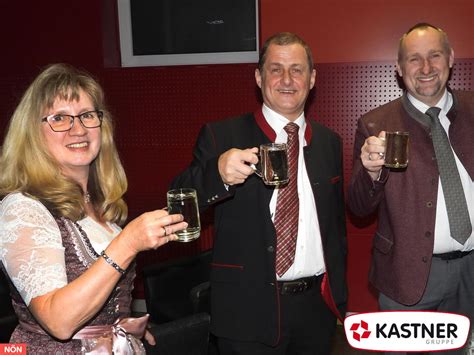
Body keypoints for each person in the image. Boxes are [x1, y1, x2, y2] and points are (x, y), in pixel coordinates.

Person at [171, 32, 347, 354]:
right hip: (246, 309)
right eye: (275, 69)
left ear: (312, 79)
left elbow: (336, 226)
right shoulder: (221, 134)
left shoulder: (329, 143)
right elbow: (179, 203)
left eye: (297, 69)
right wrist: (218, 173)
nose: (287, 79)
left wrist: (338, 297)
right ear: (258, 77)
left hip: (315, 310)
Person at [0, 63, 187, 354]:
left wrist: (117, 325)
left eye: (87, 116)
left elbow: (98, 300)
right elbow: (58, 321)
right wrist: (129, 242)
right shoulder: (23, 208)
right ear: (32, 134)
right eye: (60, 118)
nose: (78, 129)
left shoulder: (100, 206)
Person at [348, 23, 473, 353]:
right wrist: (372, 172)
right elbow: (358, 206)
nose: (427, 68)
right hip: (407, 276)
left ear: (450, 59)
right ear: (399, 69)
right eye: (414, 59)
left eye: (434, 55)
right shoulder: (375, 124)